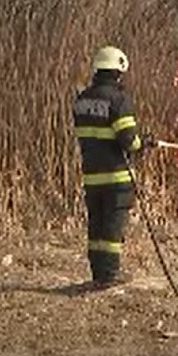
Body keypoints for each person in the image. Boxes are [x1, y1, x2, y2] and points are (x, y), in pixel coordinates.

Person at [72, 45, 156, 289]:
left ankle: (98, 273)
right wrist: (145, 144)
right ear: (118, 72)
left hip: (91, 175)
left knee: (96, 224)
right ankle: (109, 275)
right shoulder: (118, 100)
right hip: (116, 176)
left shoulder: (83, 99)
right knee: (112, 226)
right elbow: (129, 141)